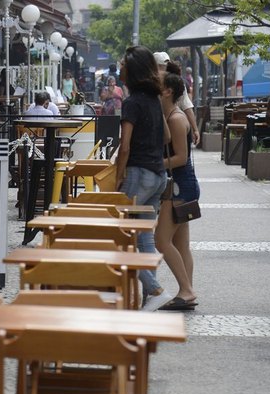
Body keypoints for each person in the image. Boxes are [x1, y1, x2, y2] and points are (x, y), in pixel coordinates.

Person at [115, 45, 171, 310]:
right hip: (158, 175)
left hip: (139, 174)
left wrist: (118, 177)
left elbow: (124, 146)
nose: (120, 68)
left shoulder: (132, 103)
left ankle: (156, 289)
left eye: (123, 64)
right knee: (144, 238)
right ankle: (152, 297)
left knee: (119, 236)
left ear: (132, 70)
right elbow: (167, 137)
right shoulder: (153, 100)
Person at [155, 72, 200, 311]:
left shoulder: (175, 118)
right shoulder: (171, 116)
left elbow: (181, 158)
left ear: (168, 91)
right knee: (181, 244)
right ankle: (187, 292)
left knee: (161, 240)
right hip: (183, 185)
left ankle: (186, 290)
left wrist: (153, 164)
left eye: (158, 83)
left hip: (180, 186)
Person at [154, 52, 200, 146]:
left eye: (164, 66)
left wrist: (195, 129)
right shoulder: (153, 82)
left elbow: (187, 106)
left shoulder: (176, 82)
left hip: (174, 126)